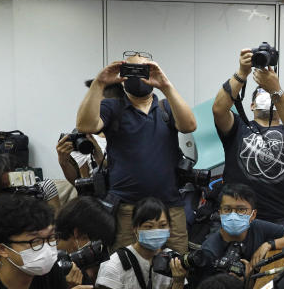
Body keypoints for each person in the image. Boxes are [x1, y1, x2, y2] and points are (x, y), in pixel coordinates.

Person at [76, 52, 197, 252]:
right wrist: (100, 83)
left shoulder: (166, 107)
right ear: (123, 79)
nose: (138, 77)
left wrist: (165, 85)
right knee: (125, 268)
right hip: (126, 207)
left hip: (170, 206)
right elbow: (85, 125)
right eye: (131, 71)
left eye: (144, 70)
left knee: (176, 267)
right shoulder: (112, 107)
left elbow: (189, 125)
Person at [213, 49, 284, 225]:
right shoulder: (238, 127)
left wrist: (276, 90)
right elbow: (219, 110)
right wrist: (242, 73)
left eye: (269, 95)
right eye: (261, 94)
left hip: (278, 221)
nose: (267, 97)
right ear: (251, 105)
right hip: (237, 218)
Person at [200, 183, 284, 272]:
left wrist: (269, 244)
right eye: (227, 209)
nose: (233, 215)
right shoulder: (209, 250)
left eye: (241, 210)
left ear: (253, 215)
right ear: (220, 213)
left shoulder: (256, 226)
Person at [54, 196, 116, 286]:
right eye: (96, 245)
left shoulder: (76, 267)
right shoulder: (40, 260)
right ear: (78, 233)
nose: (95, 252)